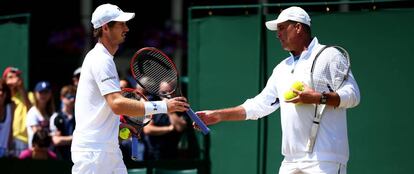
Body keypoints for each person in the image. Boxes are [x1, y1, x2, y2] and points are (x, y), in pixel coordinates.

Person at [195, 6, 360, 174]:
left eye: (282, 28)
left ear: (298, 27)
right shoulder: (281, 69)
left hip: (325, 159)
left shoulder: (329, 55)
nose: (278, 34)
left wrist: (318, 98)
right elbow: (258, 106)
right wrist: (218, 115)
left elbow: (353, 95)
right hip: (290, 161)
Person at [71, 3, 189, 174]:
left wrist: (115, 128)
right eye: (121, 24)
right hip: (94, 153)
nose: (126, 28)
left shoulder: (103, 59)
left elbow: (98, 108)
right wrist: (164, 106)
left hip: (106, 150)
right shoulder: (100, 59)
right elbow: (117, 104)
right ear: (105, 27)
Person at [3, 66, 34, 157]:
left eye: (17, 76)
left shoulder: (29, 95)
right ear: (4, 79)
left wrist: (21, 88)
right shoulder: (2, 97)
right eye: (10, 77)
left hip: (23, 141)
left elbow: (31, 111)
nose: (15, 80)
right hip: (5, 140)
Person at [26, 81, 56, 148]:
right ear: (35, 94)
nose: (43, 95)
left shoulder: (53, 113)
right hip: (36, 152)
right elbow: (39, 135)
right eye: (41, 92)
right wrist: (54, 135)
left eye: (46, 92)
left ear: (50, 94)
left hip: (50, 153)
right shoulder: (32, 112)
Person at [50, 85, 76, 160]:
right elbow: (56, 140)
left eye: (74, 97)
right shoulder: (56, 117)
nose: (72, 99)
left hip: (75, 157)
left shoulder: (80, 116)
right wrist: (75, 138)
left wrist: (63, 139)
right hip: (59, 158)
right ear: (62, 98)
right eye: (69, 96)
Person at [0, 79, 14, 158]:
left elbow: (10, 131)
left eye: (3, 90)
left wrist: (10, 150)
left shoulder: (11, 107)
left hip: (4, 154)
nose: (0, 93)